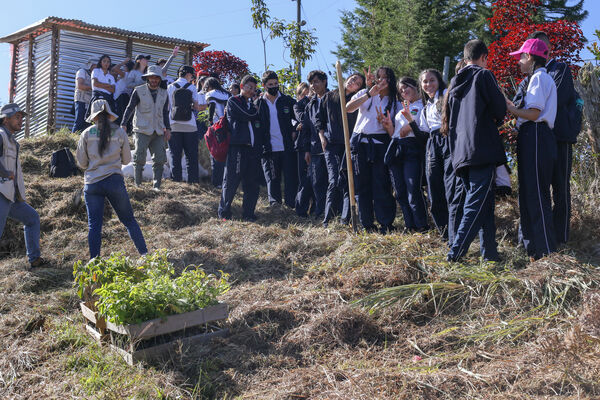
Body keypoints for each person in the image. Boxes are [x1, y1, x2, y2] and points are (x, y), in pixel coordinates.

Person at [513, 31, 579, 246]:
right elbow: (519, 101)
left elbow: (551, 100)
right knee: (536, 188)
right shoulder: (528, 79)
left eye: (543, 44)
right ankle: (538, 237)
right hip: (538, 138)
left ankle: (560, 238)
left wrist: (525, 107)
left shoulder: (558, 70)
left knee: (560, 187)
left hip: (559, 136)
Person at [444, 39, 507, 262]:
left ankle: (489, 253)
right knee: (475, 204)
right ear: (483, 57)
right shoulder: (483, 75)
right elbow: (500, 109)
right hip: (481, 148)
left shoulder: (454, 82)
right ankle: (455, 253)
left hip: (460, 151)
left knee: (484, 203)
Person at [506, 38, 558, 260]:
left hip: (536, 135)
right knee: (528, 194)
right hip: (532, 137)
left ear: (530, 57)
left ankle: (546, 251)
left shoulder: (538, 79)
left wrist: (510, 108)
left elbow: (534, 114)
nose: (518, 62)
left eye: (521, 57)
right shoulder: (536, 79)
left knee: (536, 194)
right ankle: (532, 249)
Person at [76, 100, 147, 259]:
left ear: (93, 117)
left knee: (94, 226)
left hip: (92, 184)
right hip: (114, 181)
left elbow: (81, 162)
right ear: (109, 114)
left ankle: (94, 262)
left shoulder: (86, 134)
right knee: (129, 220)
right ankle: (144, 255)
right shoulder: (120, 133)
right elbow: (127, 160)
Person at [346, 66, 398, 233]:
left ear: (390, 81)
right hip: (360, 143)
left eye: (385, 78)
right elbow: (348, 107)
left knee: (381, 184)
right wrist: (369, 93)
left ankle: (386, 223)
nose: (382, 81)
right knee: (362, 185)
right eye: (379, 77)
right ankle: (367, 223)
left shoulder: (394, 101)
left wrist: (386, 124)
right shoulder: (365, 93)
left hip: (380, 144)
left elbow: (394, 128)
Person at [314, 72, 365, 226]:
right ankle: (328, 219)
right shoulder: (329, 97)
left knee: (348, 181)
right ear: (347, 78)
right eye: (353, 79)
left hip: (350, 145)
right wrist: (322, 137)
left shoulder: (356, 100)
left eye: (358, 83)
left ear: (359, 88)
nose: (353, 82)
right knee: (334, 180)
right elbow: (319, 120)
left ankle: (345, 219)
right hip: (332, 144)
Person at [380, 77, 429, 232]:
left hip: (412, 147)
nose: (403, 91)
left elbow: (416, 128)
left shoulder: (423, 105)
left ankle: (421, 224)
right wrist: (389, 127)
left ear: (415, 86)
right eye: (400, 90)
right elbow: (396, 133)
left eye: (406, 87)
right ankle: (409, 225)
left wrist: (408, 126)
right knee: (400, 191)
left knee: (413, 188)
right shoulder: (403, 107)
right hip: (396, 147)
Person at [0, 104, 44, 267]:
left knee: (32, 218)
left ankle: (34, 259)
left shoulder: (12, 141)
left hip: (11, 195)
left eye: (21, 117)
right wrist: (5, 172)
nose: (21, 120)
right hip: (1, 192)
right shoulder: (0, 135)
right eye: (16, 117)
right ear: (6, 119)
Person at [218, 75, 265, 221]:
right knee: (231, 181)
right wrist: (255, 112)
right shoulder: (233, 101)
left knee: (252, 183)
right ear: (242, 86)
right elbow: (247, 115)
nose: (252, 91)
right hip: (237, 147)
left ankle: (248, 214)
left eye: (254, 89)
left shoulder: (251, 104)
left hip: (252, 149)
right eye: (249, 87)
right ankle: (224, 213)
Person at [120, 65, 171, 190]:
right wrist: (123, 123)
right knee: (139, 157)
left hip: (158, 130)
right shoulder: (139, 90)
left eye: (156, 78)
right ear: (147, 78)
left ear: (159, 79)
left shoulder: (164, 93)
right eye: (151, 77)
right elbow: (130, 108)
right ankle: (138, 185)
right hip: (142, 129)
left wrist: (168, 128)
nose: (153, 80)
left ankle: (156, 186)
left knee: (159, 158)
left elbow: (165, 112)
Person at [255, 70, 298, 208]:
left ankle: (291, 205)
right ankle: (275, 206)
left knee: (291, 178)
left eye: (276, 83)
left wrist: (294, 130)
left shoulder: (287, 101)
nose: (274, 86)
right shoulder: (258, 104)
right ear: (264, 85)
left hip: (287, 146)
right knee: (272, 178)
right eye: (270, 84)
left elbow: (297, 118)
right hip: (268, 148)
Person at [418, 68, 451, 239]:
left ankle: (455, 231)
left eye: (432, 80)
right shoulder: (426, 107)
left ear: (439, 81)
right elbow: (423, 131)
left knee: (450, 187)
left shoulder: (446, 95)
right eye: (425, 81)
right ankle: (444, 233)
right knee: (434, 187)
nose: (428, 84)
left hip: (447, 138)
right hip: (432, 143)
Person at [298, 70, 329, 218]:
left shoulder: (333, 98)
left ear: (324, 82)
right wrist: (306, 150)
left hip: (333, 146)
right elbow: (306, 129)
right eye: (311, 83)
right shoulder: (310, 105)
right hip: (315, 149)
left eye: (316, 81)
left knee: (334, 182)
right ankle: (320, 212)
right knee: (317, 183)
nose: (313, 85)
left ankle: (333, 213)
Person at [167, 65, 204, 184]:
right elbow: (197, 107)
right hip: (190, 125)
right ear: (188, 74)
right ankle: (193, 181)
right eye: (192, 75)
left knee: (175, 155)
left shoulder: (170, 87)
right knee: (191, 155)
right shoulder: (192, 87)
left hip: (173, 124)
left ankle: (176, 180)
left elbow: (168, 107)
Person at [293, 82, 315, 217]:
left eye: (309, 92)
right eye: (304, 94)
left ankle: (315, 209)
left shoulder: (320, 101)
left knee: (317, 180)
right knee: (305, 179)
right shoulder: (298, 105)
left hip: (317, 145)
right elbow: (302, 118)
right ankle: (301, 209)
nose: (307, 95)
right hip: (302, 146)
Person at [203, 77, 230, 188]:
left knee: (216, 153)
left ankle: (216, 182)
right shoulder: (227, 94)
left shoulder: (210, 93)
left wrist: (210, 120)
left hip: (217, 126)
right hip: (228, 126)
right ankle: (226, 182)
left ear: (209, 86)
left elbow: (212, 106)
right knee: (226, 154)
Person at [87, 54, 117, 120]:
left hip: (108, 99)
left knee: (107, 119)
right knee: (95, 118)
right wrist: (108, 85)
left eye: (108, 62)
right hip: (97, 97)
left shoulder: (111, 77)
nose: (106, 63)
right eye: (104, 61)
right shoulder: (96, 71)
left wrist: (101, 85)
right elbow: (95, 84)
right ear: (101, 62)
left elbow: (113, 90)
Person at [72, 57, 95, 132]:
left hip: (89, 101)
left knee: (87, 123)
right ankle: (74, 137)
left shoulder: (95, 75)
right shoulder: (82, 71)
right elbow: (80, 86)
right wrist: (94, 87)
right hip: (81, 100)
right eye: (95, 65)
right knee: (79, 121)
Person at [112, 59, 134, 125]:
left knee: (119, 115)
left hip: (121, 97)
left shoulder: (126, 74)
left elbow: (115, 68)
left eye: (124, 66)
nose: (123, 68)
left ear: (127, 67)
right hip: (124, 97)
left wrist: (123, 62)